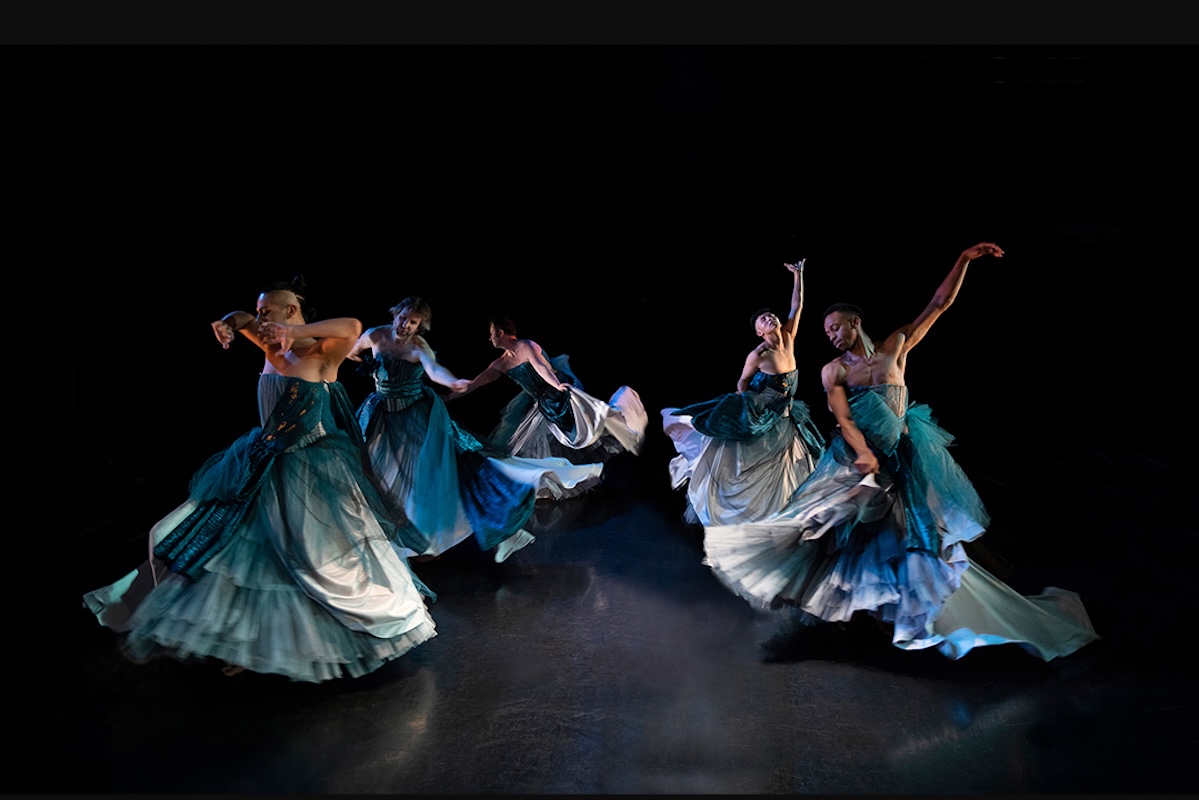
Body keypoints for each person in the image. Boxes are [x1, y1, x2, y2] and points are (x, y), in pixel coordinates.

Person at [701, 242, 1101, 662]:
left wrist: (963, 259)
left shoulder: (895, 348)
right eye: (827, 333)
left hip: (901, 459)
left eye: (836, 328)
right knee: (829, 535)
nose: (832, 336)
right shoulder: (833, 370)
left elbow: (939, 304)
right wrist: (862, 453)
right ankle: (825, 623)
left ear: (855, 323)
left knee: (916, 546)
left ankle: (928, 621)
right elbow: (843, 418)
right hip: (855, 461)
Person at [82, 278, 438, 682]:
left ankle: (314, 642)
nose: (261, 318)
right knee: (210, 546)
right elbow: (243, 317)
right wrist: (229, 322)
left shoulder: (323, 353)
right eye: (260, 310)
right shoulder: (270, 345)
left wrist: (295, 333)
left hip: (310, 467)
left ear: (291, 311)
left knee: (314, 562)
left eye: (269, 311)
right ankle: (245, 643)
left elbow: (353, 326)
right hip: (262, 459)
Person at [348, 297, 604, 563]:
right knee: (373, 467)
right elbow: (352, 349)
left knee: (443, 470)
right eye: (403, 318)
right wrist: (354, 356)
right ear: (395, 314)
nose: (406, 325)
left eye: (413, 322)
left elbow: (435, 371)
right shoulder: (375, 335)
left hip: (413, 414)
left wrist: (453, 381)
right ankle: (384, 532)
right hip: (380, 413)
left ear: (419, 326)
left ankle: (426, 535)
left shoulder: (419, 347)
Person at [662, 260, 827, 526]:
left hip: (786, 414)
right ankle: (753, 516)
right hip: (765, 410)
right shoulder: (758, 355)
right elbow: (743, 381)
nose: (770, 318)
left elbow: (797, 306)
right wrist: (745, 400)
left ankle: (790, 514)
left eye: (771, 315)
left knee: (792, 465)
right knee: (761, 468)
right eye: (764, 319)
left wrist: (798, 275)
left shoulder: (788, 337)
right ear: (759, 332)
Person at [449, 316, 648, 480]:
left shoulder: (526, 346)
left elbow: (541, 366)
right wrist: (449, 396)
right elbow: (475, 383)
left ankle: (625, 423)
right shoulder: (501, 363)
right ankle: (557, 480)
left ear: (501, 332)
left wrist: (556, 384)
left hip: (559, 393)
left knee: (591, 426)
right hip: (542, 403)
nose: (489, 338)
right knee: (533, 447)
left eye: (491, 333)